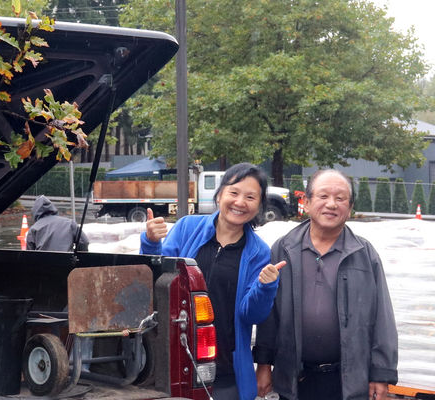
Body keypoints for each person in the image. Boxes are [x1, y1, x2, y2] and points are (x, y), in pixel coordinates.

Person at [140, 162, 285, 400]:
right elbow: (153, 282)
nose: (240, 202)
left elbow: (251, 315)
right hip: (171, 361)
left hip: (224, 371)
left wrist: (266, 287)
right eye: (234, 192)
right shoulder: (188, 227)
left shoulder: (258, 252)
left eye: (250, 197)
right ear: (220, 195)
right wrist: (151, 243)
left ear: (259, 205)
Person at [253, 169, 398, 400]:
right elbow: (271, 314)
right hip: (294, 378)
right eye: (323, 196)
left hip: (348, 380)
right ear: (307, 203)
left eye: (340, 198)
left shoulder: (364, 254)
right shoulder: (284, 249)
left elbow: (383, 318)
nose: (331, 204)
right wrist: (263, 364)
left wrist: (381, 374)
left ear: (349, 209)